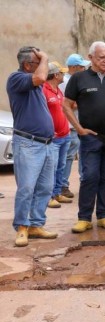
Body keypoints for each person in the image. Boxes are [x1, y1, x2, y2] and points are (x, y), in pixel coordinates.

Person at [63, 41, 105, 233]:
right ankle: (84, 218)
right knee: (90, 177)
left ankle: (104, 215)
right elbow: (66, 105)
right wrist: (79, 129)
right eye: (102, 57)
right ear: (91, 57)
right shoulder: (79, 79)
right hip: (90, 137)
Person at [6, 46, 58, 247]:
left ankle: (36, 224)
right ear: (27, 65)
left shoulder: (34, 85)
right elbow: (41, 77)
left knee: (45, 187)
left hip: (46, 144)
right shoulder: (16, 78)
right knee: (26, 188)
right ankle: (22, 227)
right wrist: (45, 56)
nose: (42, 67)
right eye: (39, 64)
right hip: (27, 143)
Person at [59, 53, 90, 199]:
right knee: (66, 157)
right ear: (74, 67)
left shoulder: (74, 79)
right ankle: (61, 186)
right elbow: (68, 104)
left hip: (75, 125)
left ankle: (64, 185)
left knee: (70, 157)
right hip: (69, 126)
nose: (84, 69)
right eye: (81, 67)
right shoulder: (66, 81)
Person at [42, 62, 72, 208]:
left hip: (64, 135)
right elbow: (41, 113)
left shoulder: (58, 90)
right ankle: (49, 196)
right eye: (61, 73)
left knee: (61, 166)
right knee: (51, 168)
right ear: (55, 75)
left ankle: (57, 192)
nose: (63, 75)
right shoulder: (44, 90)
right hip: (53, 138)